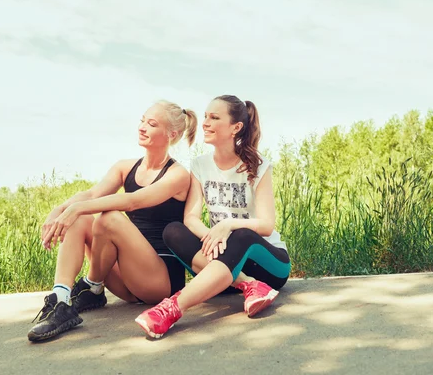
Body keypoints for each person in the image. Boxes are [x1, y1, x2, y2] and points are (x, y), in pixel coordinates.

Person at [27, 100, 197, 342]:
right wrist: (60, 209)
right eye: (142, 120)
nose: (142, 127)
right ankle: (62, 300)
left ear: (172, 134)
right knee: (81, 218)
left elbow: (133, 201)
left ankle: (91, 285)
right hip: (126, 280)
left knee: (110, 219)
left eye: (151, 124)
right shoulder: (124, 167)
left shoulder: (178, 175)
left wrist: (75, 208)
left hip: (159, 282)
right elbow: (91, 195)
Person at [134, 95, 291, 339]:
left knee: (241, 235)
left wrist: (226, 226)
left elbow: (267, 225)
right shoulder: (200, 165)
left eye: (214, 118)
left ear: (235, 127)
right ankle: (248, 285)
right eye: (206, 116)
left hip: (270, 264)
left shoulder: (259, 166)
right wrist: (212, 235)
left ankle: (172, 309)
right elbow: (191, 218)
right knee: (173, 230)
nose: (205, 123)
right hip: (222, 263)